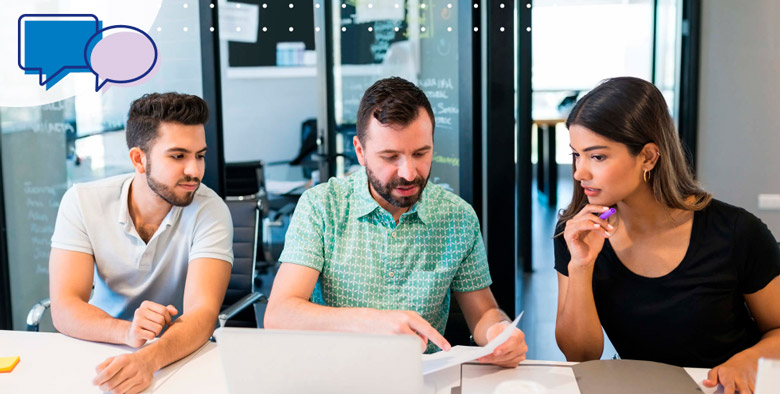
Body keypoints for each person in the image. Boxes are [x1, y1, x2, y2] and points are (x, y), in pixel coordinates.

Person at [265, 77, 527, 366]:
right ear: (360, 151)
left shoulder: (457, 217)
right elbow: (280, 314)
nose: (409, 172)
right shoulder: (322, 206)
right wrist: (370, 322)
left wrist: (498, 332)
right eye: (390, 157)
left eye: (420, 153)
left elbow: (483, 314)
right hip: (335, 373)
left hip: (424, 377)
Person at [554, 76, 780, 394]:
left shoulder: (736, 232)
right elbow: (581, 356)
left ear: (648, 157)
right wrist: (580, 267)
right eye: (575, 155)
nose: (579, 172)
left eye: (597, 157)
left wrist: (749, 359)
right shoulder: (577, 233)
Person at [49, 93, 233, 394]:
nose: (195, 171)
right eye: (178, 156)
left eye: (199, 155)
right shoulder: (82, 201)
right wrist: (128, 332)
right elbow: (65, 306)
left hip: (174, 354)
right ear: (138, 159)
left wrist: (149, 359)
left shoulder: (209, 210)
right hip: (95, 346)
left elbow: (202, 315)